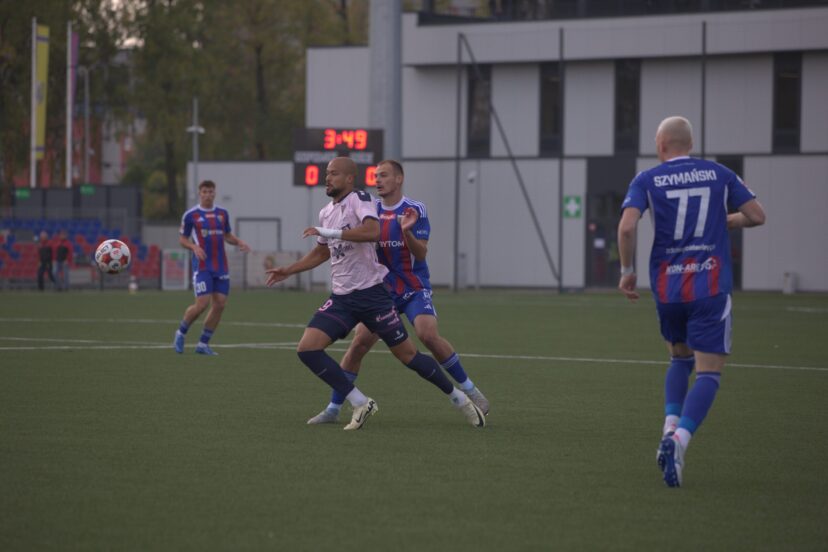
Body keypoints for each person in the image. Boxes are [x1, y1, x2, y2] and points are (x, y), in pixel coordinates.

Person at [265, 156, 485, 431]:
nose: (327, 178)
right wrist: (290, 270)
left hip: (375, 295)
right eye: (326, 173)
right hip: (343, 298)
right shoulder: (326, 212)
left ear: (348, 178)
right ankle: (355, 403)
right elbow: (322, 251)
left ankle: (460, 397)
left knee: (409, 354)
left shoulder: (361, 199)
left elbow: (372, 231)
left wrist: (330, 231)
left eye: (333, 173)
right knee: (309, 349)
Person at [617, 116, 766, 488]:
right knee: (709, 372)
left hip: (669, 289)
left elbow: (627, 226)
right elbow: (757, 216)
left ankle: (668, 429)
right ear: (689, 143)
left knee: (679, 359)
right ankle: (680, 440)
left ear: (663, 144)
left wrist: (626, 271)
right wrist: (724, 221)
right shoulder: (718, 173)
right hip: (709, 286)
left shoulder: (647, 180)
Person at [173, 180, 251, 355]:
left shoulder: (222, 213)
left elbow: (227, 235)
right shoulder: (191, 215)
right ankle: (180, 333)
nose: (208, 194)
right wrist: (193, 247)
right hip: (202, 266)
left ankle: (202, 344)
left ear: (215, 193)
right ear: (199, 193)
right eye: (205, 191)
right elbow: (182, 239)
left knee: (220, 304)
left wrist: (238, 242)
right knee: (201, 304)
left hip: (221, 266)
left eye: (211, 191)